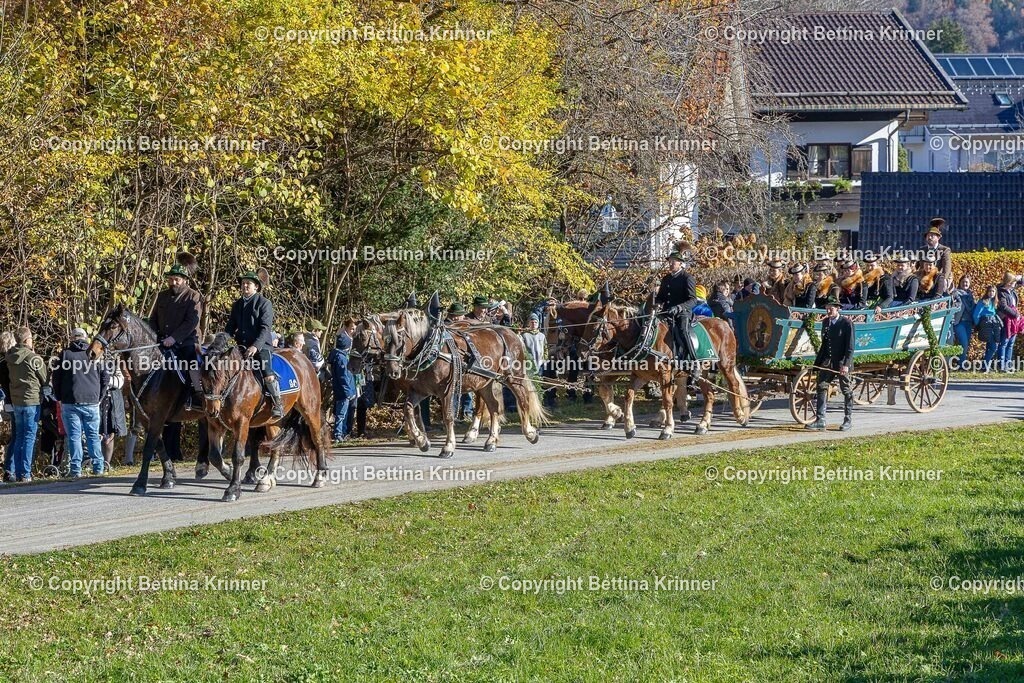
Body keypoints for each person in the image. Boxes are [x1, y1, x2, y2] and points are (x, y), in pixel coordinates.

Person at [51, 328, 110, 477]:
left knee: (74, 437)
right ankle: (98, 467)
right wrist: (99, 396)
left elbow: (56, 379)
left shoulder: (64, 354)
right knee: (93, 436)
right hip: (92, 401)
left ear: (72, 338)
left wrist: (59, 397)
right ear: (86, 338)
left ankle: (76, 469)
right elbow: (105, 378)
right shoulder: (96, 354)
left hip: (70, 401)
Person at [225, 269, 282, 418]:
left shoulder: (264, 303)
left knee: (267, 373)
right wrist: (221, 340)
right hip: (241, 346)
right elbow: (230, 327)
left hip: (261, 346)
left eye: (248, 283)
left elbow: (265, 328)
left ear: (256, 286)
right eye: (243, 283)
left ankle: (277, 403)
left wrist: (255, 346)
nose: (244, 286)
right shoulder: (237, 305)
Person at [150, 252, 204, 409]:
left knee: (191, 363)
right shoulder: (161, 296)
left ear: (185, 280)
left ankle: (196, 395)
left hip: (187, 341)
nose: (173, 282)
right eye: (171, 279)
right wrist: (154, 336)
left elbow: (191, 322)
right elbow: (153, 319)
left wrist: (174, 338)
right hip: (162, 340)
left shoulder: (193, 296)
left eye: (177, 279)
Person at [6, 326, 49, 482]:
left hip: (17, 401)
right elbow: (45, 378)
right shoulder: (33, 358)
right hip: (32, 401)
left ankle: (18, 473)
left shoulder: (9, 358)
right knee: (29, 437)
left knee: (19, 436)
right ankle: (25, 473)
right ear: (26, 340)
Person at [807, 296, 854, 432]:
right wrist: (818, 363)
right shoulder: (826, 322)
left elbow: (850, 347)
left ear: (837, 308)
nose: (828, 311)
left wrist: (846, 365)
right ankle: (820, 420)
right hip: (828, 361)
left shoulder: (846, 323)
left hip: (841, 362)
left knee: (846, 390)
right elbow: (825, 344)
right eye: (827, 309)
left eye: (831, 309)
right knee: (821, 386)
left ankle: (847, 420)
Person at [656, 250, 701, 377]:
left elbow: (693, 300)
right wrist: (657, 303)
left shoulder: (687, 278)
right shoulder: (666, 279)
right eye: (669, 261)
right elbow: (661, 297)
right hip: (667, 312)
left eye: (673, 262)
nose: (670, 264)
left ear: (680, 263)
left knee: (683, 330)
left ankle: (694, 362)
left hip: (683, 312)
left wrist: (679, 307)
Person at [326, 328, 356, 445]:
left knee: (343, 412)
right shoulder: (341, 358)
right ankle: (338, 434)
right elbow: (344, 377)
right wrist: (348, 391)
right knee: (341, 413)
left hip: (341, 389)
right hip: (343, 391)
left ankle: (342, 432)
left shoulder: (337, 356)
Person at [100, 360, 128, 467]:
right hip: (96, 398)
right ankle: (97, 463)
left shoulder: (116, 360)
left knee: (110, 432)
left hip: (113, 399)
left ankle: (106, 464)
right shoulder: (91, 359)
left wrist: (107, 380)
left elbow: (120, 381)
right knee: (97, 432)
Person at [996, 272, 1022, 372]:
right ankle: (1002, 366)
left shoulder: (1011, 291)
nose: (1014, 284)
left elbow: (1022, 282)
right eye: (1012, 282)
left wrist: (1018, 277)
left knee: (1011, 343)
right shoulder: (1001, 292)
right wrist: (1015, 314)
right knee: (1004, 343)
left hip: (1013, 321)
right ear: (1008, 282)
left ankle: (1008, 364)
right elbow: (1004, 306)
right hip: (1006, 320)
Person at [974, 285, 1002, 372]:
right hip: (986, 324)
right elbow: (976, 315)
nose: (991, 293)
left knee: (989, 346)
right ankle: (985, 365)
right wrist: (978, 325)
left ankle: (986, 366)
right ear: (987, 292)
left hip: (993, 324)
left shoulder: (994, 302)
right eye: (990, 291)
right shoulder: (983, 302)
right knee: (993, 346)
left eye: (993, 291)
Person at [950, 275, 976, 368]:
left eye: (967, 282)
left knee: (965, 344)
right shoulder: (956, 293)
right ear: (960, 283)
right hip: (959, 322)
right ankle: (961, 364)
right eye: (963, 282)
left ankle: (960, 362)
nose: (965, 284)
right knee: (963, 343)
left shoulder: (970, 295)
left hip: (968, 322)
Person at [924, 218, 953, 294]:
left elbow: (947, 267)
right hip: (924, 280)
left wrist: (943, 279)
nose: (929, 237)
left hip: (938, 279)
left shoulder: (944, 250)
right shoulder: (922, 250)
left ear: (938, 237)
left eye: (932, 236)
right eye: (928, 235)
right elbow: (918, 266)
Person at [1, 330, 15, 482]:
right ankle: (10, 468)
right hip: (15, 401)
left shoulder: (2, 362)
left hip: (8, 402)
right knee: (18, 436)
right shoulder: (11, 362)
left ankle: (10, 468)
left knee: (15, 435)